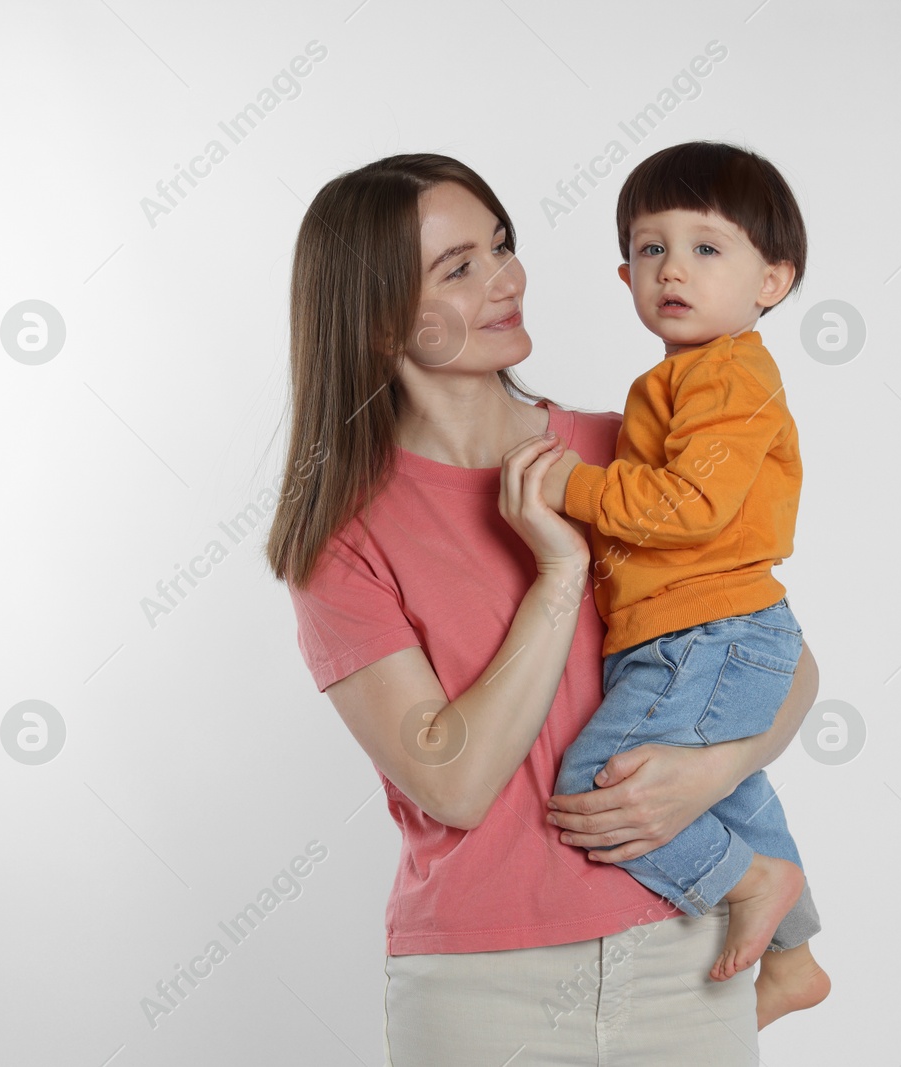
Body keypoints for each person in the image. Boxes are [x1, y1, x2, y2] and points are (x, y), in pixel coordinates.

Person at [266, 152, 822, 1062]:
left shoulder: (624, 456)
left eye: (502, 246)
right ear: (375, 321)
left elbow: (784, 661)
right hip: (483, 986)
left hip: (690, 953)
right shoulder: (341, 538)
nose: (506, 279)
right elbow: (453, 779)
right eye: (459, 267)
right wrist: (559, 573)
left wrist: (711, 774)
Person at [539, 141, 830, 1022]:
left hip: (707, 633)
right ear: (624, 271)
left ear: (772, 281)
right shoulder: (678, 377)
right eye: (651, 247)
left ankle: (748, 882)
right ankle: (796, 956)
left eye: (708, 248)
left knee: (600, 782)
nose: (673, 268)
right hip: (700, 631)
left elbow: (693, 504)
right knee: (725, 783)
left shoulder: (731, 371)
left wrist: (571, 486)